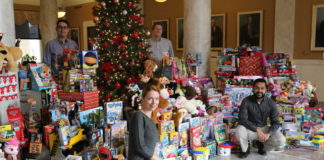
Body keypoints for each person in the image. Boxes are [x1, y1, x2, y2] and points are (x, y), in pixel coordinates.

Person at [236, 78, 286, 159]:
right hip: (250, 129)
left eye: (262, 88)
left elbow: (276, 122)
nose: (259, 90)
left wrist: (268, 134)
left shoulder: (271, 103)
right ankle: (245, 149)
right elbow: (242, 119)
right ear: (253, 88)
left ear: (266, 89)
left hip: (264, 128)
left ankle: (262, 147)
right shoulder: (246, 101)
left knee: (281, 140)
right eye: (257, 88)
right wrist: (256, 129)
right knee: (239, 129)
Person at [128, 79, 161, 160]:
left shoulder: (150, 116)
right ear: (143, 98)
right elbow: (139, 146)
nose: (154, 102)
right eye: (150, 99)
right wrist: (155, 158)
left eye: (156, 99)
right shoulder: (138, 116)